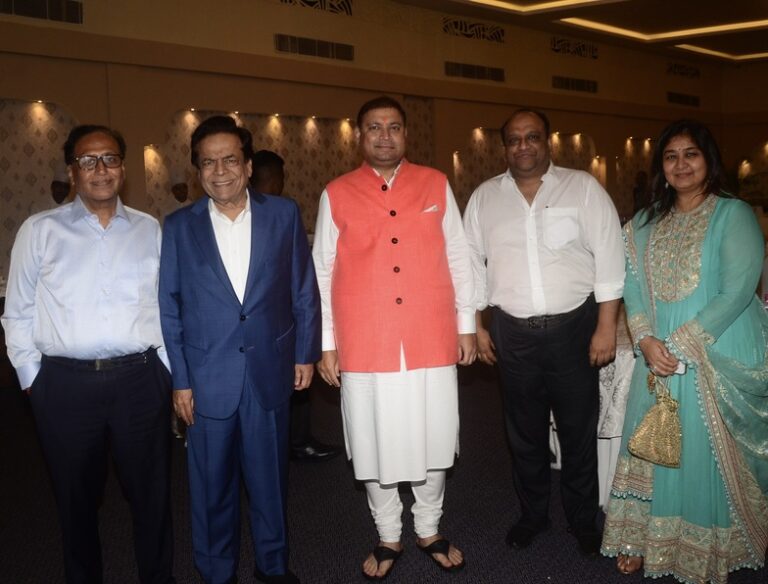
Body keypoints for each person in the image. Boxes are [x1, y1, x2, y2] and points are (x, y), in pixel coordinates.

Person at [1, 125, 175, 584]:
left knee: (152, 496)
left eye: (110, 158)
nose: (100, 169)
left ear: (123, 168)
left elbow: (162, 304)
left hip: (140, 381)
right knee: (75, 500)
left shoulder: (149, 229)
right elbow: (17, 311)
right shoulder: (40, 230)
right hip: (64, 387)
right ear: (72, 172)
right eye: (88, 160)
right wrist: (32, 380)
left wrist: (166, 370)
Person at [312, 96, 477, 580]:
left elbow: (460, 255)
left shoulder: (435, 183)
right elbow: (322, 270)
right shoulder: (336, 192)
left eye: (394, 127)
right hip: (365, 338)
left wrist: (467, 324)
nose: (385, 136)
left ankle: (428, 528)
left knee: (434, 436)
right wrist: (326, 343)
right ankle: (388, 533)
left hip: (430, 334)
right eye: (374, 127)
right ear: (359, 136)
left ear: (406, 134)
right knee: (372, 441)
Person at [601, 119, 768, 583]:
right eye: (671, 156)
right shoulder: (643, 223)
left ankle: (712, 545)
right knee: (653, 443)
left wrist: (678, 346)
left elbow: (737, 291)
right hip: (656, 352)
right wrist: (645, 339)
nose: (681, 165)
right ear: (661, 166)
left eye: (691, 154)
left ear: (708, 160)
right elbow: (631, 286)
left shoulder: (733, 214)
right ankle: (644, 539)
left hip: (715, 349)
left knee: (701, 451)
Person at [159, 116, 320, 584]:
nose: (220, 171)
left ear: (248, 166)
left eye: (230, 160)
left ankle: (273, 566)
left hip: (269, 370)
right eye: (208, 163)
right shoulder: (179, 227)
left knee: (270, 481)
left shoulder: (283, 214)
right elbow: (169, 307)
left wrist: (305, 352)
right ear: (198, 173)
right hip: (206, 378)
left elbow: (303, 289)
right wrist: (180, 379)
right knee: (210, 488)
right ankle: (216, 572)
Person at [463, 108, 625, 555]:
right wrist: (475, 324)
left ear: (548, 142)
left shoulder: (583, 188)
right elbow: (469, 264)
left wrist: (606, 326)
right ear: (504, 147)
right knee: (524, 433)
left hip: (575, 328)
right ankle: (533, 515)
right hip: (511, 333)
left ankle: (583, 520)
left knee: (577, 432)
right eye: (514, 139)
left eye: (532, 136)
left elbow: (610, 256)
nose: (523, 146)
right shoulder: (484, 198)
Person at [250, 149, 341, 462]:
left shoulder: (269, 212)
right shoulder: (281, 212)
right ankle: (299, 441)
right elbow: (301, 276)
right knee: (298, 383)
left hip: (262, 324)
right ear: (275, 179)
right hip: (284, 319)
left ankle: (284, 442)